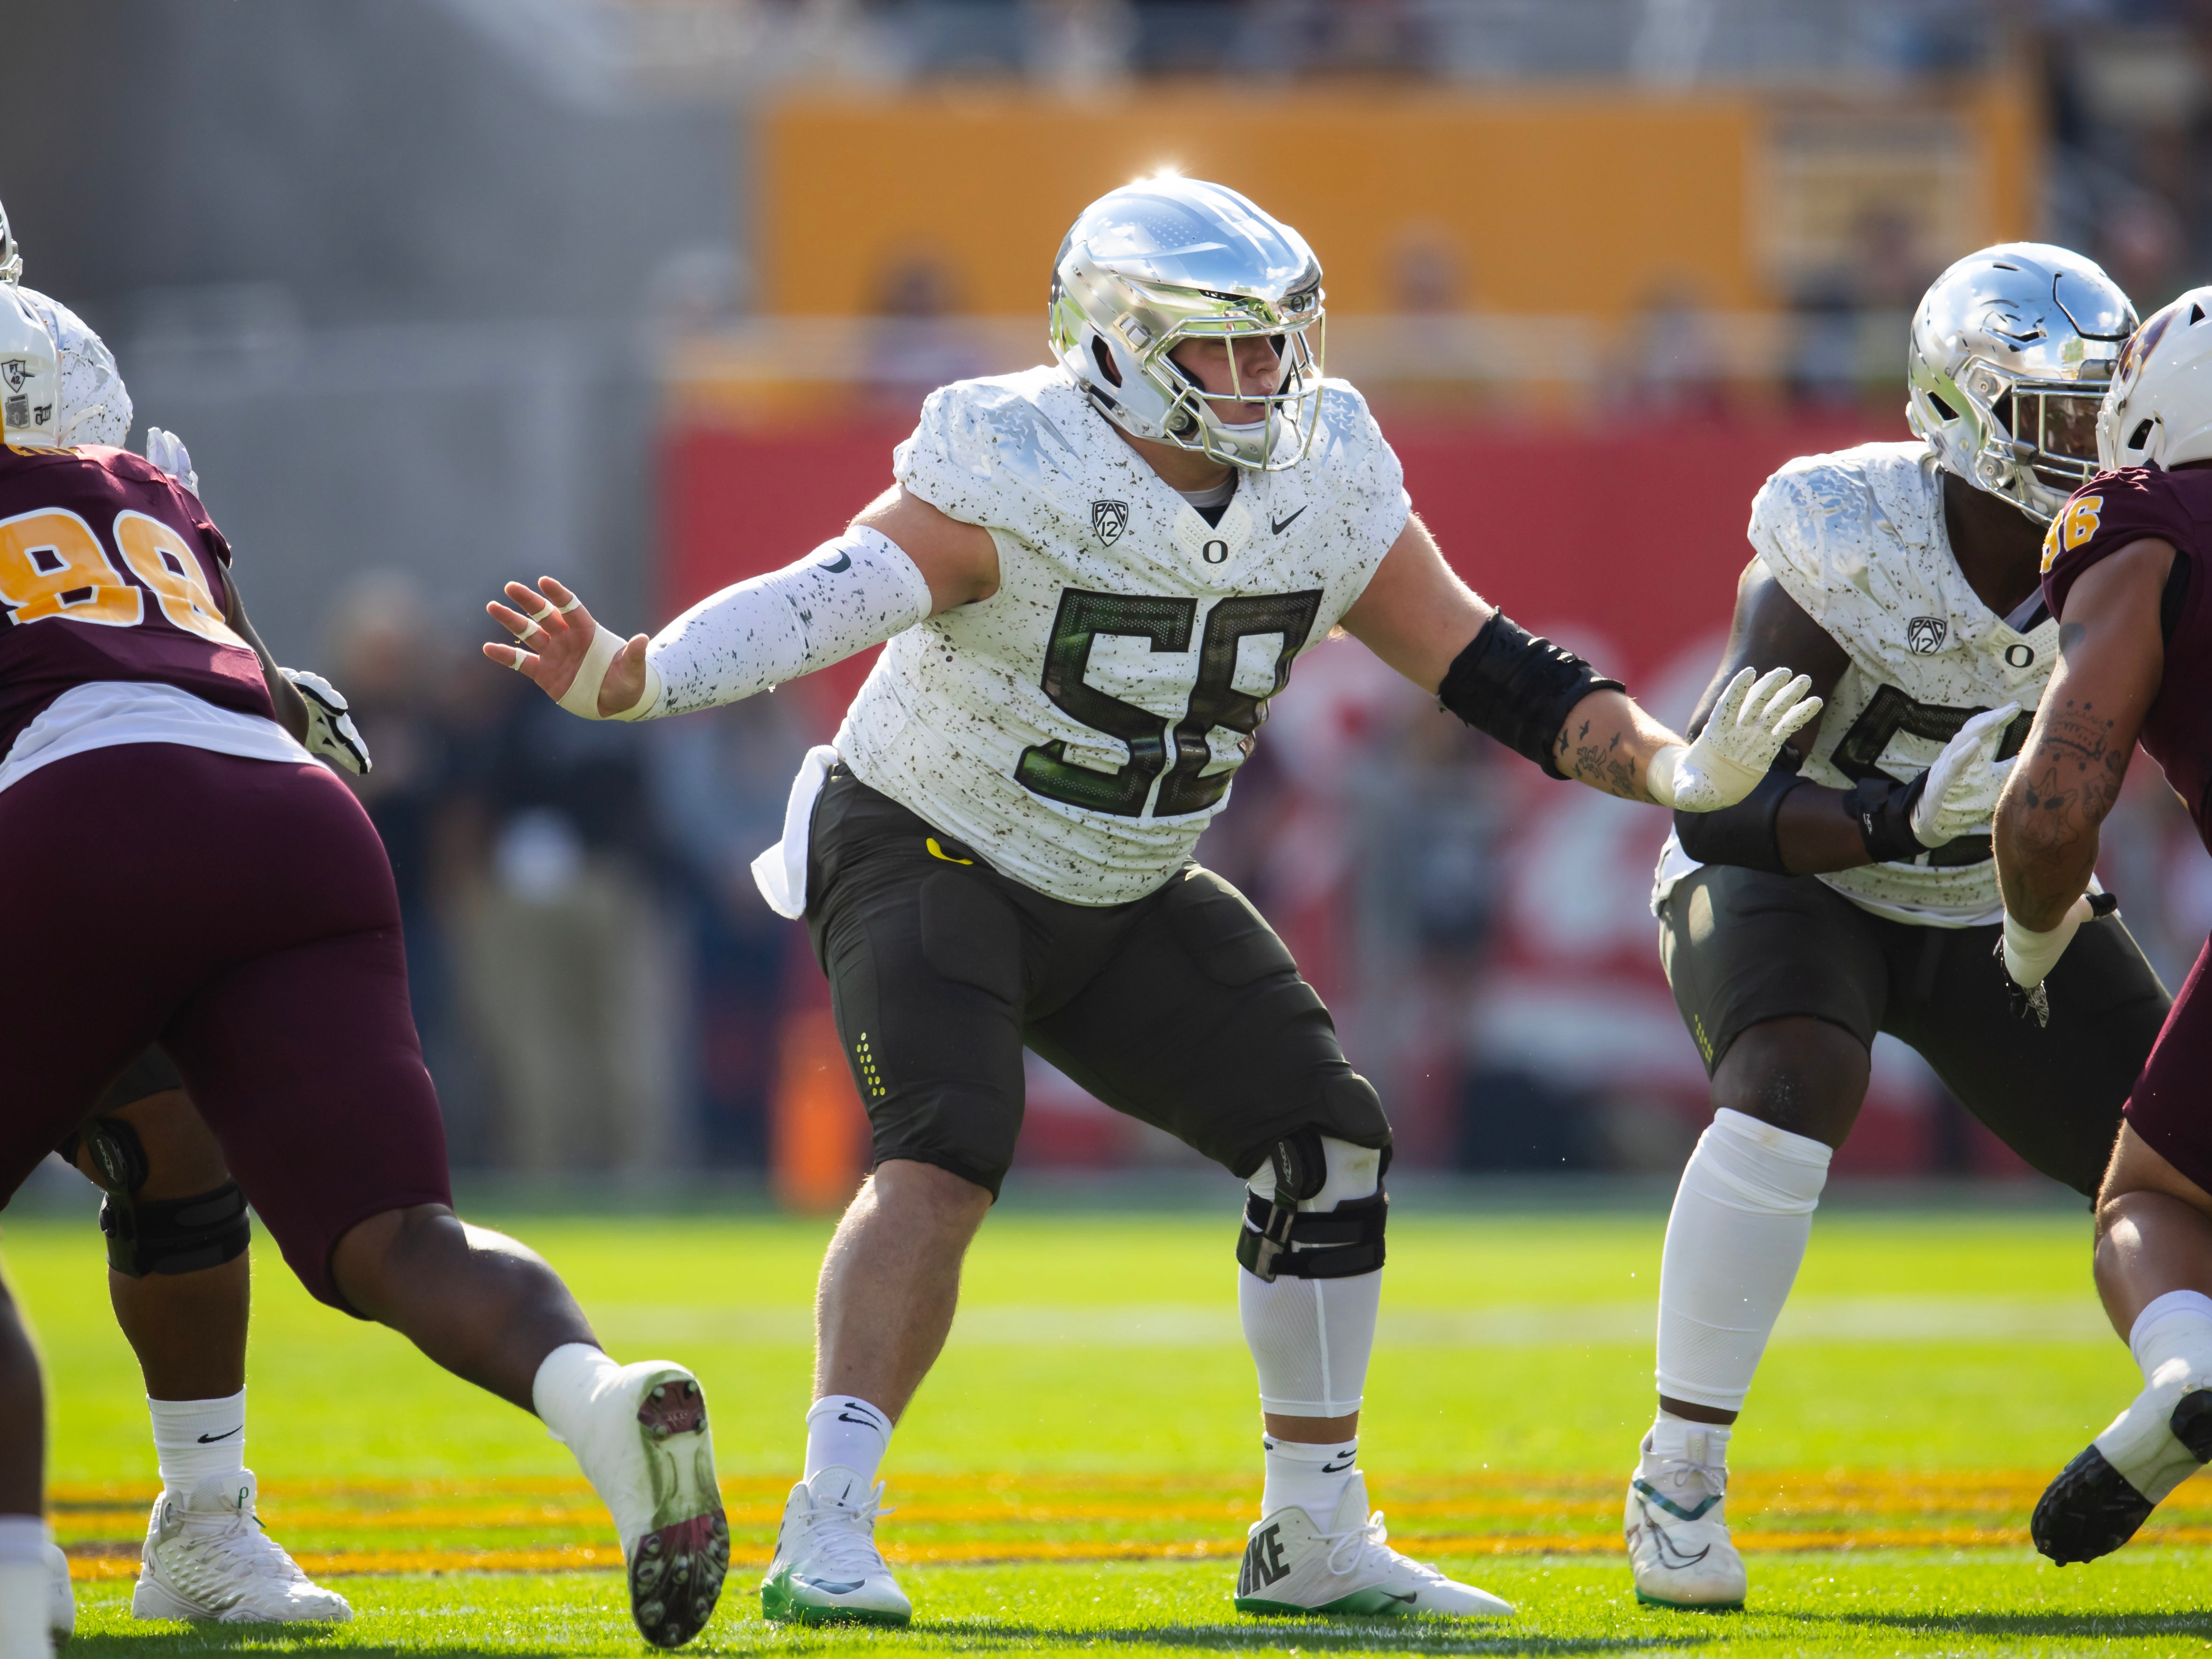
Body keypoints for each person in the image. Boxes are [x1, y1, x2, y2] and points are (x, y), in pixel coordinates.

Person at [483, 175, 1819, 1625]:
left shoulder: (1327, 466)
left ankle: (1313, 1534)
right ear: (1116, 343)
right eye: (1222, 348)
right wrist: (638, 675)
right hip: (931, 838)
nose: (1264, 379)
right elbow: (829, 593)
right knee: (943, 1151)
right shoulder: (1017, 453)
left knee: (1330, 1143)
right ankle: (830, 1521)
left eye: (1275, 343)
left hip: (1123, 876)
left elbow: (1494, 668)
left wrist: (1677, 765)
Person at [0, 268, 727, 1654]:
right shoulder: (149, 497)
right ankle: (588, 1397)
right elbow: (277, 698)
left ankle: (16, 1577)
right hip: (290, 820)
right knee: (373, 1228)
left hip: (82, 814)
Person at [1622, 245, 2212, 1610]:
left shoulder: (2142, 538)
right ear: (1955, 408)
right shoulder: (1848, 522)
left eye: (2103, 409)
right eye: (2050, 415)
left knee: (2202, 1168)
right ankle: (1678, 1475)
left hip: (1998, 899)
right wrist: (1896, 819)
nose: (2085, 444)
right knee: (1795, 1077)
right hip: (1807, 880)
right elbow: (1725, 814)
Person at [2001, 284, 2212, 1580]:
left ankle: (2187, 1371)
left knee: (2158, 1198)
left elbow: (2054, 804)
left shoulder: (2147, 513)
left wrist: (2034, 936)